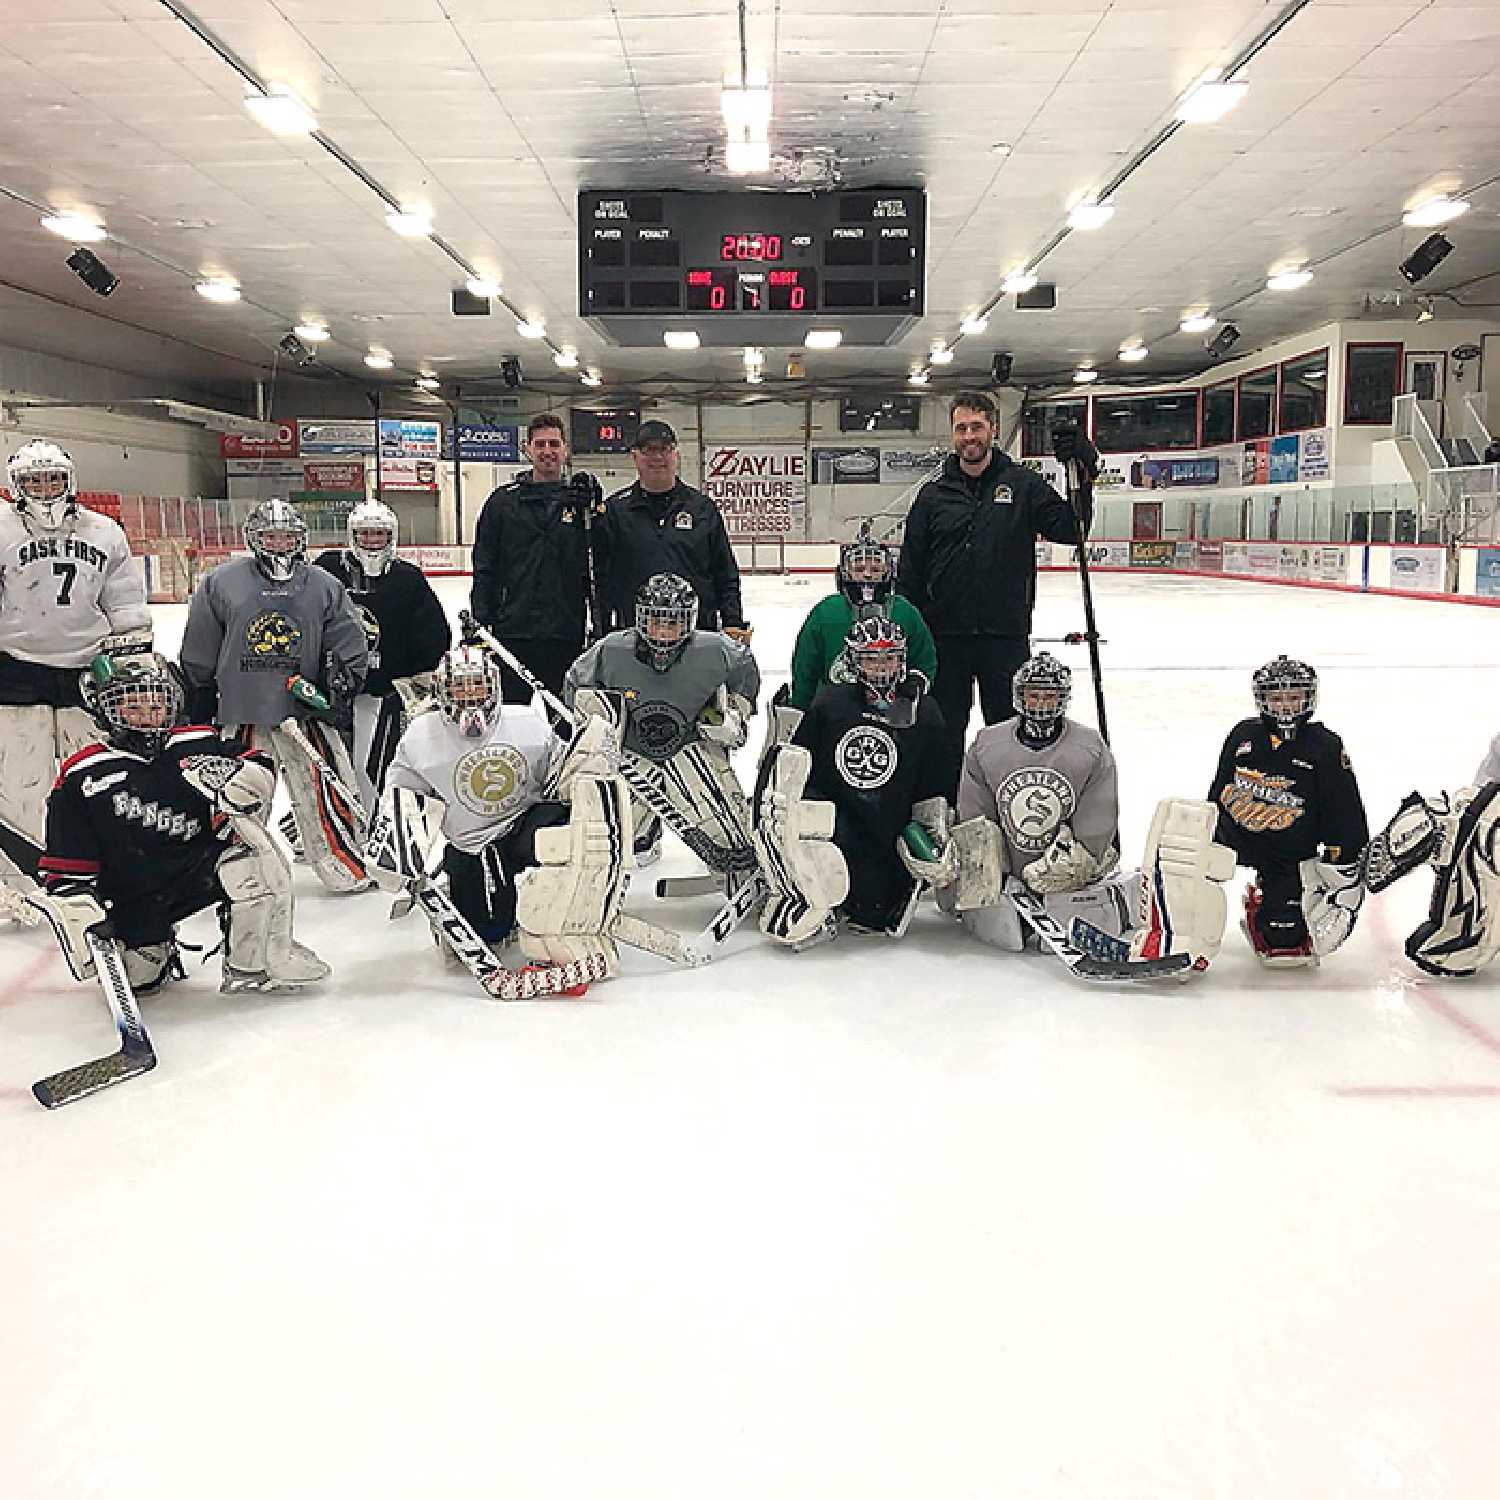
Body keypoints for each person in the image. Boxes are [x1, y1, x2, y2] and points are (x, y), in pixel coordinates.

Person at [31, 649, 328, 994]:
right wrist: (88, 914)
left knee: (250, 865)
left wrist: (242, 776)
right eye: (133, 707)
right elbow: (67, 868)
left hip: (195, 871)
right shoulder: (83, 776)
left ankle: (250, 964)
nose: (147, 718)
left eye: (156, 707)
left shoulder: (195, 741)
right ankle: (154, 948)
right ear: (105, 710)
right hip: (132, 894)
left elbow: (257, 763)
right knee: (141, 979)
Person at [948, 652, 1230, 969]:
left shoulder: (1088, 748)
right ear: (1018, 696)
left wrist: (1073, 860)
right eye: (1033, 695)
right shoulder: (988, 743)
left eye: (1049, 696)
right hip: (1010, 871)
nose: (1040, 704)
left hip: (1068, 868)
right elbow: (976, 815)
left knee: (1070, 915)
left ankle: (1125, 896)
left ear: (1063, 699)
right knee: (991, 920)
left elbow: (1098, 821)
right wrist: (989, 866)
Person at [179, 498, 370, 892]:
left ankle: (342, 861)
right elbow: (200, 644)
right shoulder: (222, 582)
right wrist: (199, 691)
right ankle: (233, 869)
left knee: (325, 791)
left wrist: (343, 685)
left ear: (300, 540)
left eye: (287, 537)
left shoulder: (323, 584)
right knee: (238, 796)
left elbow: (348, 638)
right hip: (243, 711)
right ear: (253, 538)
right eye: (270, 536)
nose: (279, 545)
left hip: (306, 711)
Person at [897, 392, 1096, 768]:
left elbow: (1074, 529)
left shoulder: (1022, 485)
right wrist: (910, 631)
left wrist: (1085, 471)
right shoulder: (933, 495)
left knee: (1007, 729)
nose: (969, 436)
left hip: (1003, 635)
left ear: (993, 429)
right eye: (961, 428)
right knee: (943, 729)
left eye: (977, 426)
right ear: (953, 435)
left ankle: (1006, 805)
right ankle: (946, 804)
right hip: (944, 636)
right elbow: (911, 568)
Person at [0, 440, 152, 887]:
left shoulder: (103, 531)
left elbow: (124, 599)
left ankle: (100, 865)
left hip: (88, 670)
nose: (45, 490)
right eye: (33, 481)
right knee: (20, 779)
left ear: (70, 481)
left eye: (53, 479)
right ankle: (26, 879)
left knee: (93, 771)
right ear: (16, 485)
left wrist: (131, 644)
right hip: (15, 669)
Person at [761, 615, 952, 942]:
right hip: (839, 825)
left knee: (874, 910)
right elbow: (800, 764)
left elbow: (934, 782)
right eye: (870, 659)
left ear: (902, 659)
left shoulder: (926, 712)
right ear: (852, 661)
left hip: (887, 832)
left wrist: (933, 830)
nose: (881, 668)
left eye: (889, 658)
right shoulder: (830, 702)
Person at [379, 645, 571, 953]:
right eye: (459, 687)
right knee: (490, 933)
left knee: (568, 838)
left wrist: (589, 766)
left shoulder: (527, 722)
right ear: (442, 690)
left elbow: (565, 775)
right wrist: (398, 853)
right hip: (474, 843)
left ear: (494, 687)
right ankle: (458, 884)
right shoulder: (420, 736)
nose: (470, 696)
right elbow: (402, 801)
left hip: (524, 825)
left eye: (478, 685)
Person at [564, 571, 760, 869]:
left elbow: (745, 671)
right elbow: (575, 688)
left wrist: (735, 712)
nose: (663, 633)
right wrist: (596, 722)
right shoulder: (611, 650)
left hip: (691, 755)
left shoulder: (716, 650)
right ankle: (642, 833)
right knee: (601, 843)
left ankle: (738, 869)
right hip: (630, 757)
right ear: (640, 619)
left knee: (733, 844)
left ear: (689, 621)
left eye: (673, 622)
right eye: (655, 621)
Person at [1208, 655, 1368, 966]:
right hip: (1238, 836)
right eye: (1277, 698)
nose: (1285, 707)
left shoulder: (1325, 746)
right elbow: (1216, 795)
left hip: (1289, 854)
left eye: (1294, 697)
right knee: (1183, 866)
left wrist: (1342, 865)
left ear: (1309, 697)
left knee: (1284, 938)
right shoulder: (1243, 736)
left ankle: (1273, 897)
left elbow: (1345, 815)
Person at [312, 499, 450, 808]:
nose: (372, 542)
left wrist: (416, 679)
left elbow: (433, 634)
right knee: (331, 762)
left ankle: (380, 815)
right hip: (334, 692)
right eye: (365, 534)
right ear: (353, 536)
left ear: (392, 537)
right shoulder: (328, 571)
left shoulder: (408, 578)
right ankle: (334, 815)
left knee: (377, 762)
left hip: (385, 692)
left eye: (380, 534)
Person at [470, 412, 600, 702]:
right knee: (514, 713)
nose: (547, 452)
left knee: (562, 715)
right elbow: (484, 565)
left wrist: (596, 508)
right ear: (527, 449)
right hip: (512, 630)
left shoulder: (582, 505)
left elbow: (600, 563)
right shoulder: (502, 503)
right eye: (540, 445)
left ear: (566, 449)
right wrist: (482, 620)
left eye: (554, 444)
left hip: (565, 630)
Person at [597, 420, 749, 641]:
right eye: (648, 449)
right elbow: (602, 578)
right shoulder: (615, 511)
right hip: (635, 640)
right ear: (635, 457)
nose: (657, 457)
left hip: (698, 637)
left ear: (675, 454)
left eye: (664, 449)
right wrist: (603, 629)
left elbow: (724, 572)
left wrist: (733, 622)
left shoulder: (702, 509)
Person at [787, 525, 936, 711]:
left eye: (875, 568)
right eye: (859, 568)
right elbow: (805, 668)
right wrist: (803, 709)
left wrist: (914, 685)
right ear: (844, 572)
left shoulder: (905, 612)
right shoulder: (826, 612)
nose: (867, 574)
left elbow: (925, 659)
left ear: (888, 572)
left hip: (896, 714)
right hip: (836, 714)